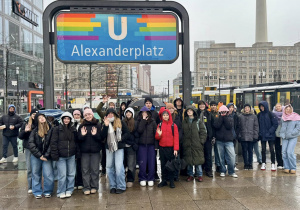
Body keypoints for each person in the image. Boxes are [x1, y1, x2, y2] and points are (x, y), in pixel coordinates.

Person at [78, 108, 109, 195]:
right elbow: (78, 139)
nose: (88, 116)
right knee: (85, 170)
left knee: (95, 170)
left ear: (92, 115)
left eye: (89, 114)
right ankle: (86, 187)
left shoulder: (97, 125)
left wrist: (95, 135)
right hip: (84, 152)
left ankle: (94, 186)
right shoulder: (81, 126)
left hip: (95, 151)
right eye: (86, 115)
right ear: (84, 116)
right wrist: (82, 135)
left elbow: (102, 138)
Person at [51, 112, 78, 199]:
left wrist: (77, 153)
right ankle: (61, 191)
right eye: (65, 118)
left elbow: (76, 142)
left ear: (70, 120)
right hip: (61, 156)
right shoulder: (57, 129)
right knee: (62, 175)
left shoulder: (73, 129)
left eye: (68, 118)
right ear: (62, 119)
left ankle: (69, 189)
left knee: (71, 174)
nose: (66, 120)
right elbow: (53, 142)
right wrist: (55, 154)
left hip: (71, 155)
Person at [28, 113, 54, 199]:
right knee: (36, 174)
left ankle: (47, 191)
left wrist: (46, 155)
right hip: (36, 156)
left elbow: (52, 143)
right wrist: (39, 155)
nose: (42, 119)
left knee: (48, 174)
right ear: (37, 120)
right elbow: (31, 144)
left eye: (43, 117)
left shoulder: (51, 129)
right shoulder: (34, 131)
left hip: (47, 156)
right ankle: (37, 191)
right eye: (39, 118)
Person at [105, 108, 129, 194]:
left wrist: (121, 139)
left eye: (112, 114)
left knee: (119, 167)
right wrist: (105, 126)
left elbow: (127, 133)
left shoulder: (120, 122)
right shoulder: (105, 123)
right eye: (109, 114)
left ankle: (121, 186)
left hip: (119, 147)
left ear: (115, 114)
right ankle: (113, 185)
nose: (110, 115)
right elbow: (102, 136)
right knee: (109, 167)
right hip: (109, 148)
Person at [155, 107, 179, 188]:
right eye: (164, 115)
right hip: (162, 148)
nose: (165, 116)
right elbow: (157, 137)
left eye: (166, 115)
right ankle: (164, 180)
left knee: (171, 165)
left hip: (171, 148)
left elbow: (176, 137)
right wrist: (159, 134)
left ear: (169, 116)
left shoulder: (173, 125)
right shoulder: (160, 125)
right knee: (163, 165)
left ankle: (171, 181)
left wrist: (176, 149)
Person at [182, 105, 207, 182]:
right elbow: (182, 133)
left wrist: (201, 141)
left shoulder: (198, 121)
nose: (189, 112)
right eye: (188, 111)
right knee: (189, 161)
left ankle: (199, 175)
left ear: (193, 112)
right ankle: (190, 175)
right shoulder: (184, 121)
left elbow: (203, 132)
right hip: (187, 144)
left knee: (198, 160)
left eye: (190, 110)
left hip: (197, 144)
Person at [18, 108, 39, 194]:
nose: (34, 116)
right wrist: (25, 131)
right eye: (33, 114)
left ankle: (37, 186)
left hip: (38, 149)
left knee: (37, 169)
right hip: (29, 148)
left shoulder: (40, 123)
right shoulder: (26, 123)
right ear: (31, 115)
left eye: (36, 114)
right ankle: (30, 186)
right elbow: (20, 136)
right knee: (30, 168)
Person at [214, 105, 238, 178]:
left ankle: (231, 171)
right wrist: (221, 117)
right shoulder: (217, 118)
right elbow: (216, 126)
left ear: (227, 112)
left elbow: (229, 126)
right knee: (221, 157)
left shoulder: (230, 118)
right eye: (222, 112)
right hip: (219, 140)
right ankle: (222, 170)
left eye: (225, 112)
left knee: (232, 157)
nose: (223, 113)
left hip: (229, 140)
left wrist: (224, 117)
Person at [136, 106, 157, 187]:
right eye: (143, 113)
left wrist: (156, 145)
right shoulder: (139, 121)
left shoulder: (153, 122)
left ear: (149, 113)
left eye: (146, 113)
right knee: (142, 163)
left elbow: (155, 134)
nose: (144, 114)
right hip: (142, 145)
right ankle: (142, 178)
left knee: (151, 163)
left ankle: (151, 178)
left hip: (151, 145)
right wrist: (143, 120)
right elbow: (139, 130)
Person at [96, 96, 115, 175]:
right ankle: (104, 168)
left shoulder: (116, 116)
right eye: (110, 106)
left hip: (114, 139)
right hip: (105, 139)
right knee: (104, 154)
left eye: (112, 106)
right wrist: (103, 102)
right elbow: (97, 110)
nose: (111, 107)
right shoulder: (104, 114)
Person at [257, 101, 278, 171]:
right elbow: (257, 125)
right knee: (263, 149)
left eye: (263, 106)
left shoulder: (271, 114)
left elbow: (275, 124)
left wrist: (269, 132)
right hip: (262, 135)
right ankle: (263, 163)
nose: (261, 108)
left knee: (272, 149)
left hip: (270, 135)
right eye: (260, 106)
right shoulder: (259, 115)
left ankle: (273, 163)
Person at [279, 105, 300, 174]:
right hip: (285, 137)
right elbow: (281, 126)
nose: (287, 110)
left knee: (290, 152)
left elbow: (298, 128)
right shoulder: (283, 117)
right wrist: (281, 133)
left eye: (289, 109)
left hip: (293, 137)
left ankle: (293, 167)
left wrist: (292, 133)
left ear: (291, 110)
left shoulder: (296, 117)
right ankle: (287, 167)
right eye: (286, 109)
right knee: (284, 153)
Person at [238, 104, 259, 170]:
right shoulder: (240, 116)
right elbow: (238, 127)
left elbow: (256, 127)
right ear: (244, 109)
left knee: (250, 150)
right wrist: (239, 136)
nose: (247, 109)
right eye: (245, 108)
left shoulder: (254, 116)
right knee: (244, 151)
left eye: (248, 108)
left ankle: (250, 163)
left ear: (250, 109)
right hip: (243, 136)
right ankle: (246, 164)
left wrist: (255, 136)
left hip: (251, 136)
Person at [144, 97, 160, 181]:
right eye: (146, 103)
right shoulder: (141, 113)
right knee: (145, 158)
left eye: (149, 103)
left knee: (153, 157)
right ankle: (146, 172)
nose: (148, 104)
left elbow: (158, 125)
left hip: (153, 139)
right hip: (144, 139)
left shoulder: (155, 114)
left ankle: (155, 173)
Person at [166, 103, 182, 181]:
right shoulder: (165, 117)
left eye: (172, 108)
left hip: (176, 140)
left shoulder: (177, 117)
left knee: (176, 159)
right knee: (169, 159)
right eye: (169, 108)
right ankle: (169, 176)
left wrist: (179, 138)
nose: (171, 110)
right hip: (168, 142)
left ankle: (176, 175)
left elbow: (180, 128)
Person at [123, 107, 139, 188]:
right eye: (127, 112)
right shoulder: (122, 122)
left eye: (130, 112)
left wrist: (134, 143)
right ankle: (122, 179)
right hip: (123, 146)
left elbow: (137, 135)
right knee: (122, 164)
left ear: (132, 114)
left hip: (131, 146)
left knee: (131, 164)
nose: (128, 114)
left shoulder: (135, 123)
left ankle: (130, 179)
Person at [197, 100, 213, 177]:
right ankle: (200, 169)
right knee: (199, 154)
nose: (201, 106)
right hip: (198, 137)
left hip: (207, 137)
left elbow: (211, 125)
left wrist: (211, 136)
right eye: (200, 105)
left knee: (208, 154)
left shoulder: (208, 114)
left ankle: (208, 169)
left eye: (203, 105)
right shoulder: (196, 113)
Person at [72, 110, 83, 190]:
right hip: (73, 148)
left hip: (81, 147)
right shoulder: (70, 124)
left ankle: (80, 182)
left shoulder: (82, 124)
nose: (76, 116)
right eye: (75, 114)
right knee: (73, 166)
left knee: (80, 166)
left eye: (78, 114)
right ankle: (74, 182)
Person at [226, 103, 239, 171]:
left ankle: (233, 165)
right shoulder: (225, 116)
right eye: (229, 107)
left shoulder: (235, 116)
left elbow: (237, 126)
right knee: (227, 152)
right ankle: (227, 164)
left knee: (233, 153)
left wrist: (236, 134)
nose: (231, 109)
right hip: (227, 137)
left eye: (232, 107)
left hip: (233, 136)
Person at [209, 101, 221, 173]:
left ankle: (218, 165)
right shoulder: (209, 113)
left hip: (217, 134)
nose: (213, 106)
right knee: (210, 151)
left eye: (214, 105)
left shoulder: (218, 114)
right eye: (212, 105)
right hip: (210, 134)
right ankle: (210, 165)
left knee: (217, 151)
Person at [272, 103, 284, 169]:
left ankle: (285, 163)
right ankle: (279, 163)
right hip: (276, 134)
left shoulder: (285, 114)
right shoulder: (273, 114)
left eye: (279, 106)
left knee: (284, 149)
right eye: (277, 107)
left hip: (284, 134)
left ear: (281, 107)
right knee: (277, 148)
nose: (278, 108)